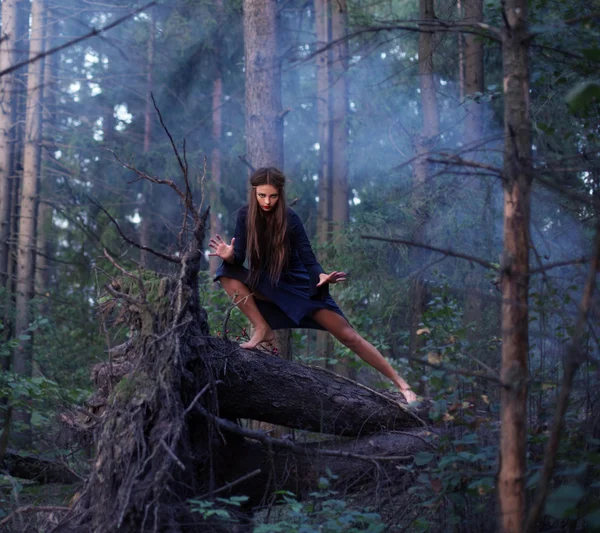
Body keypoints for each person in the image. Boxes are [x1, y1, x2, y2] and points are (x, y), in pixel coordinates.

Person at [209, 167, 417, 404]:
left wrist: (320, 276)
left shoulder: (290, 218)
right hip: (267, 282)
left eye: (273, 196)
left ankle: (403, 385)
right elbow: (238, 257)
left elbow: (308, 258)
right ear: (254, 192)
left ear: (281, 194)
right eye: (262, 195)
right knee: (225, 273)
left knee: (349, 337)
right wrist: (229, 255)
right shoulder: (245, 216)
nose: (267, 201)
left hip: (299, 283)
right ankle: (262, 328)